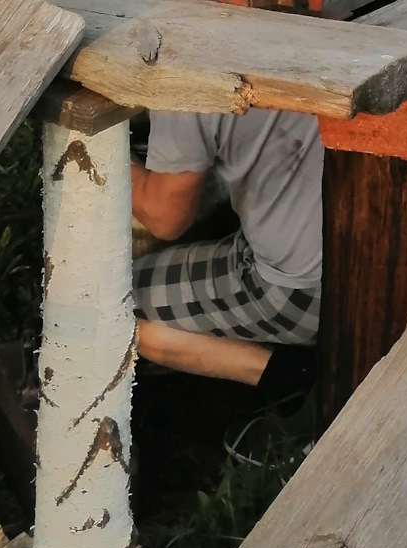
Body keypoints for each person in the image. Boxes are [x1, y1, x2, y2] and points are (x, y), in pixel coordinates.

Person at [131, 106, 322, 390]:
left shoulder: (176, 77)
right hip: (362, 242)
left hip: (304, 291)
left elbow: (164, 219)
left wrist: (102, 147)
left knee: (120, 301)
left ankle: (295, 374)